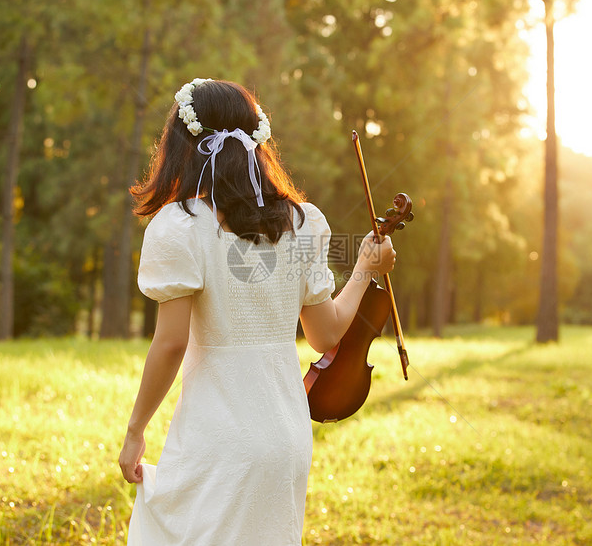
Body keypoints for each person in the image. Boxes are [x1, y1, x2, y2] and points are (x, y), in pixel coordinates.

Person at [118, 78, 396, 545]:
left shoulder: (181, 225)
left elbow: (170, 343)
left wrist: (134, 431)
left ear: (183, 146)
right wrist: (365, 268)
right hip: (286, 437)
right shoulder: (303, 221)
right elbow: (325, 335)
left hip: (217, 437)